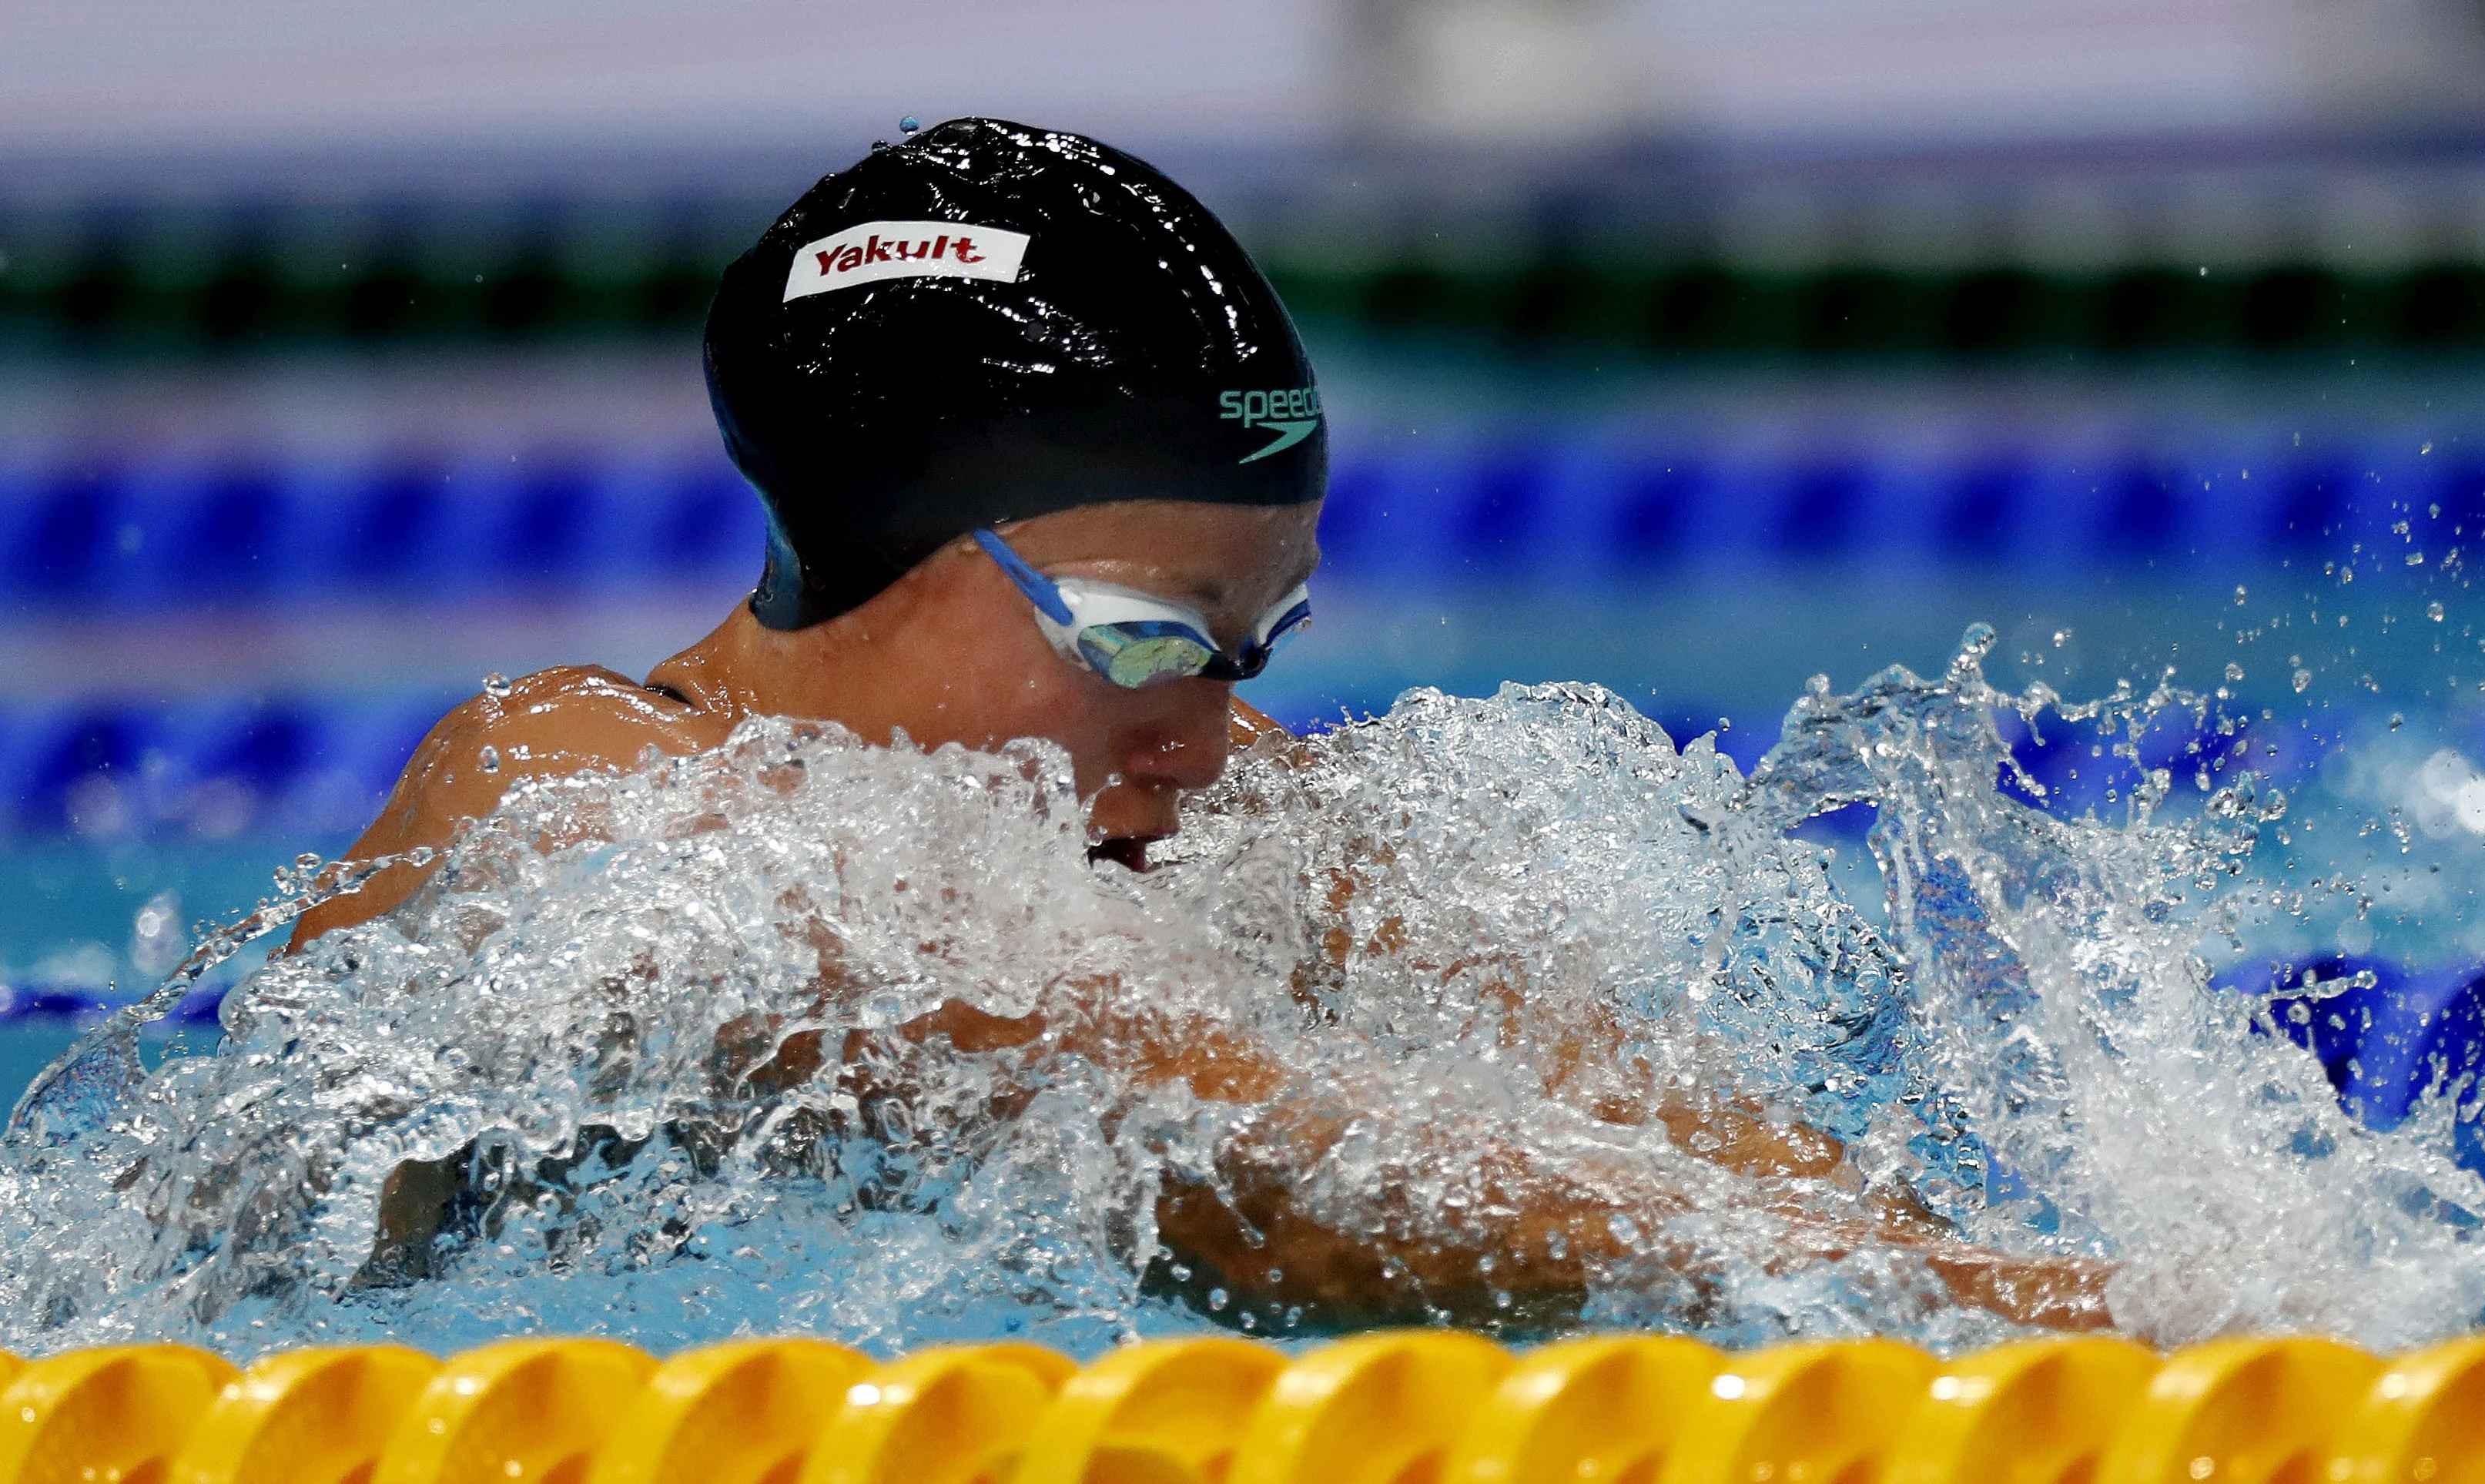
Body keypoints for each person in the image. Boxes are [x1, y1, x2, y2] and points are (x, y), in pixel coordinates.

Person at [296, 119, 2112, 1332]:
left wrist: (2028, 1291)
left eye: (1259, 643)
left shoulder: (1191, 795)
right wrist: (1907, 1309)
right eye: (1144, 636)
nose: (1204, 729)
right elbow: (1249, 1191)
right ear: (885, 548)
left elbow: (1620, 1109)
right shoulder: (597, 790)